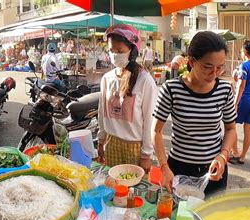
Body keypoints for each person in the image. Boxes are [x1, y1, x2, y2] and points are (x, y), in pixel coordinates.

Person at [152, 31, 237, 196]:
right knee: (177, 218)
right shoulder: (171, 89)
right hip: (178, 168)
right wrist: (163, 166)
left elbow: (231, 129)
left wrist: (223, 156)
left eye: (219, 68)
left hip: (214, 168)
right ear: (191, 61)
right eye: (207, 67)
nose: (214, 74)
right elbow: (156, 131)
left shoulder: (224, 90)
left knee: (210, 217)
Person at [97, 24, 158, 173]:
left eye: (120, 51)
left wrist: (146, 154)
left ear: (132, 51)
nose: (115, 55)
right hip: (111, 144)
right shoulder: (107, 79)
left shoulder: (145, 80)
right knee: (114, 190)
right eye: (111, 51)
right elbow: (102, 112)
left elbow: (150, 120)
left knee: (133, 192)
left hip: (135, 148)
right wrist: (101, 140)